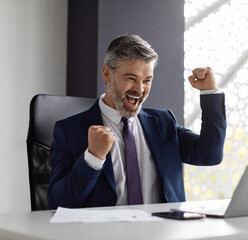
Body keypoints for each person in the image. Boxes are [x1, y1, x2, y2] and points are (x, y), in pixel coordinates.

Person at [47, 34, 226, 209]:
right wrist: (93, 157)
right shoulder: (69, 130)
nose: (140, 89)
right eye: (131, 78)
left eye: (147, 80)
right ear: (107, 74)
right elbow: (58, 203)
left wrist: (209, 94)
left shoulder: (164, 123)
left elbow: (210, 155)